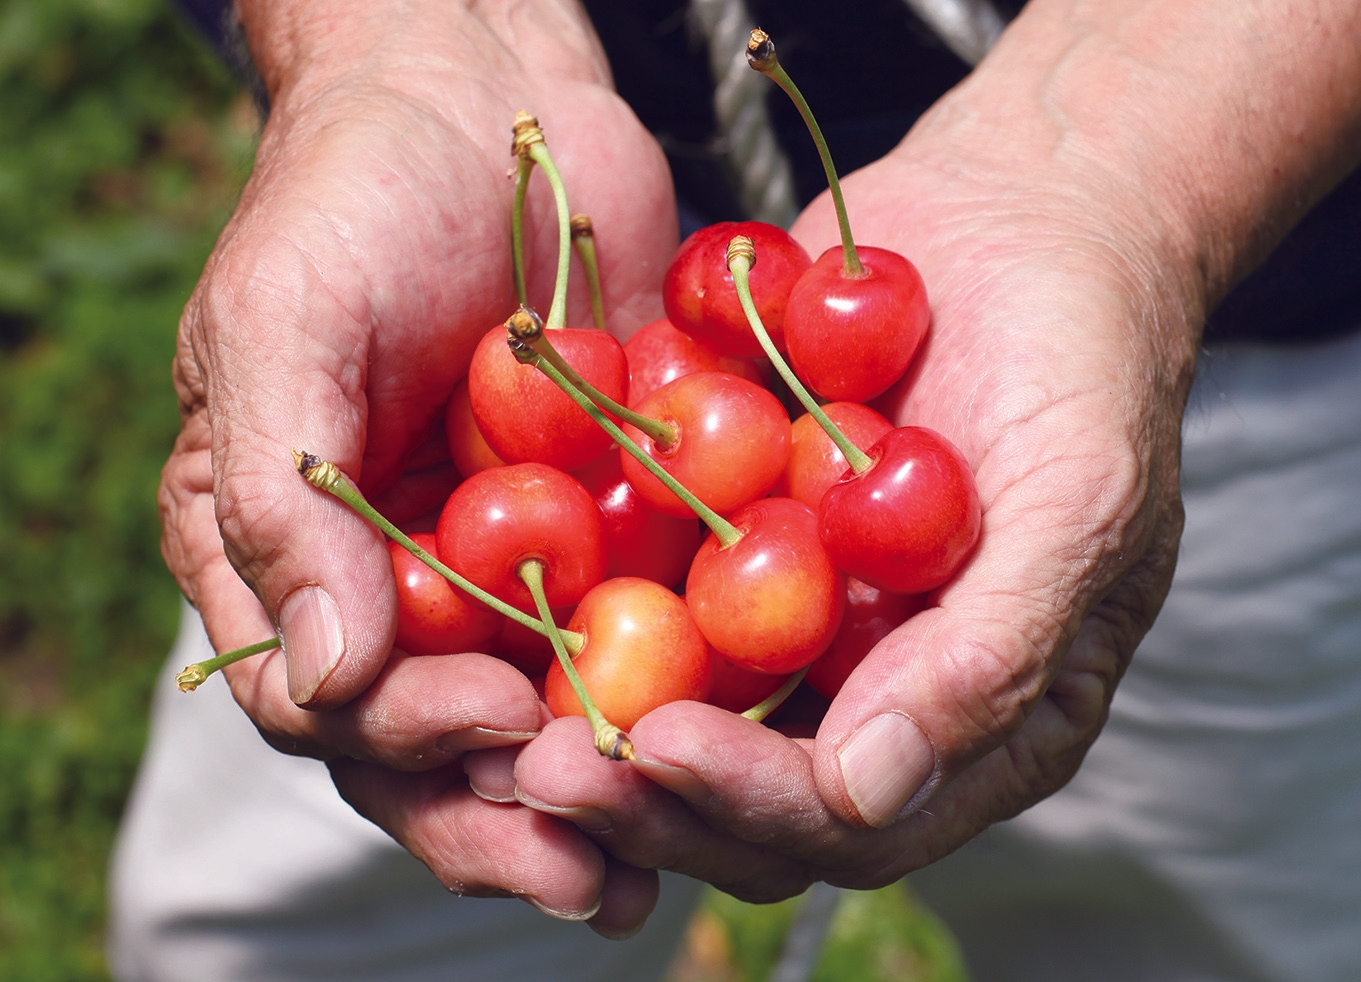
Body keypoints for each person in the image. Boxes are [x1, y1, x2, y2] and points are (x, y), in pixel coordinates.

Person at [111, 0, 1361, 978]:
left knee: (1196, 931)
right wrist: (390, 35)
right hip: (455, 313)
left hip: (1151, 308)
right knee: (299, 931)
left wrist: (1124, 162)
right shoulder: (549, 467)